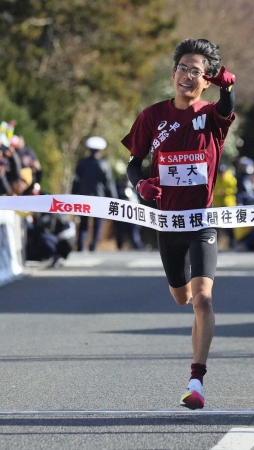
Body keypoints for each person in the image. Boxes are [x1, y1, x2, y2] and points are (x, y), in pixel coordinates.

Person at [122, 38, 235, 410]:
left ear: (207, 81)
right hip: (167, 224)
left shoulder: (211, 116)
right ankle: (195, 372)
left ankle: (196, 381)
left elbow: (227, 108)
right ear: (174, 74)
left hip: (202, 223)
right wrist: (140, 184)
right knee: (183, 297)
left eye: (197, 72)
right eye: (183, 69)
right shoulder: (153, 116)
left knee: (203, 299)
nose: (188, 76)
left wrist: (228, 89)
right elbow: (133, 163)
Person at [72, 136, 118, 251]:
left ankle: (81, 246)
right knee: (98, 223)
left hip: (83, 196)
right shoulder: (104, 165)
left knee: (83, 222)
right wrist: (114, 199)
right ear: (100, 150)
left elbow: (76, 182)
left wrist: (73, 196)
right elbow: (109, 184)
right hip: (99, 197)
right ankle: (93, 246)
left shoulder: (82, 164)